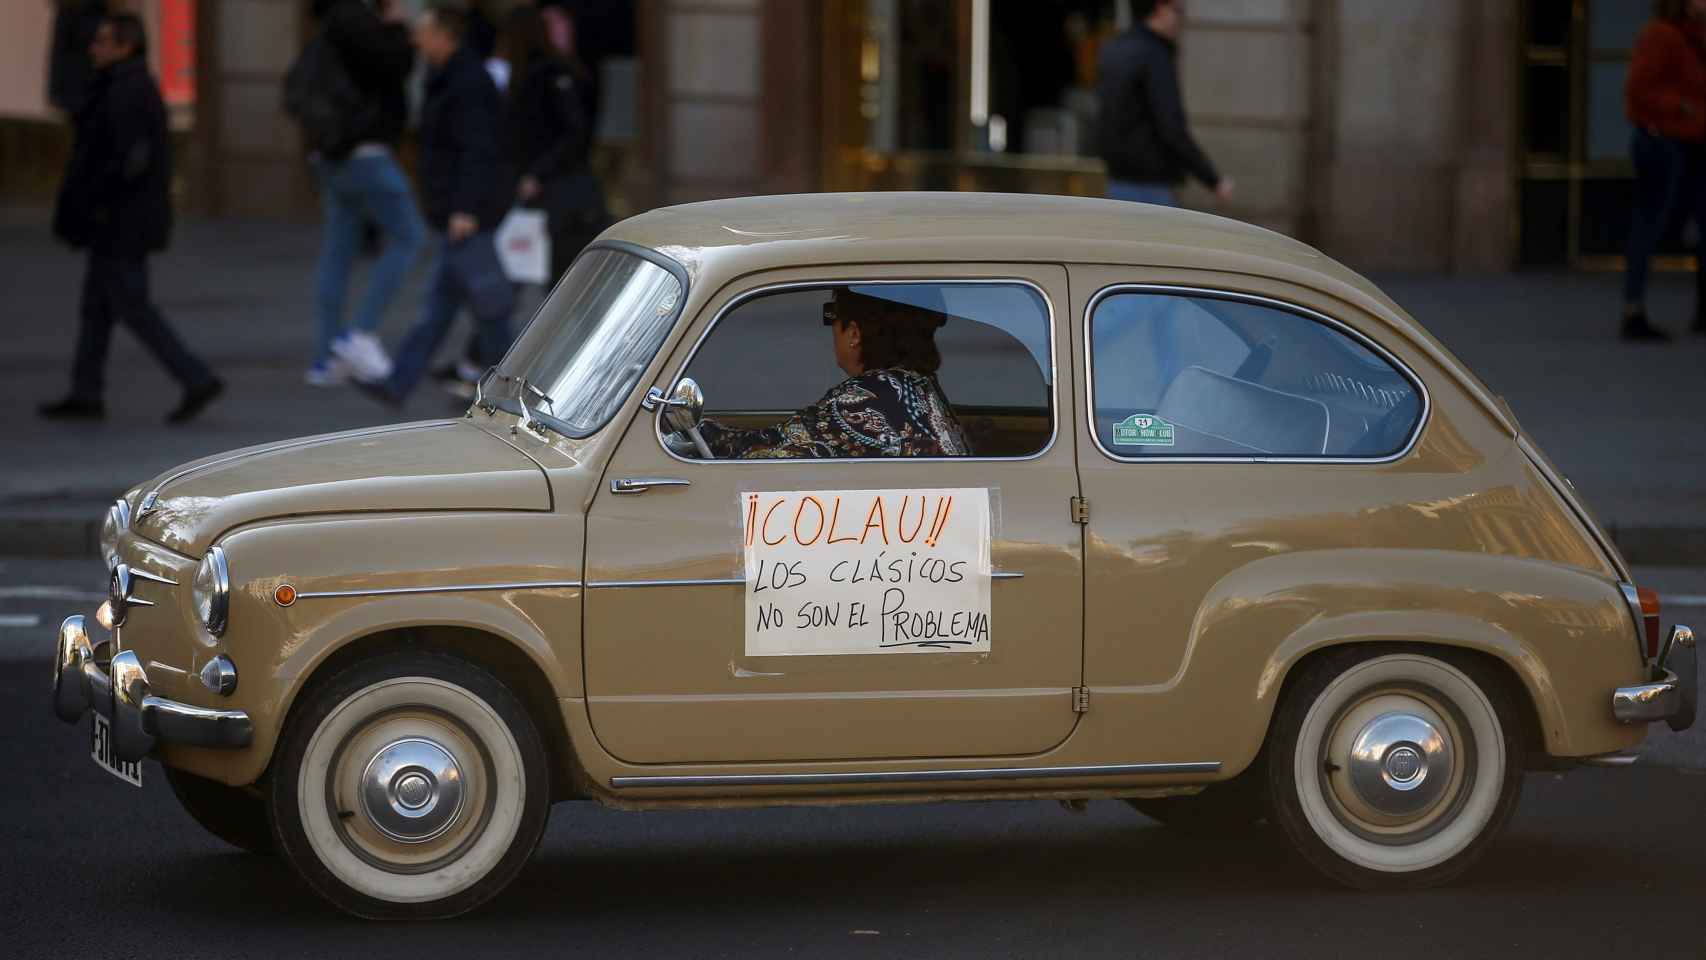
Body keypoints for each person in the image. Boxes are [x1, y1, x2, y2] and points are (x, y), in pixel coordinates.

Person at [40, 12, 223, 424]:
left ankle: (194, 376)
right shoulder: (120, 86)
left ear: (126, 46)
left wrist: (96, 206)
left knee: (131, 306)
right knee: (97, 307)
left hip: (120, 223)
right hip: (117, 221)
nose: (94, 48)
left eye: (104, 41)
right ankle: (86, 391)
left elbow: (124, 162)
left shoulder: (127, 91)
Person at [360, 3, 514, 409]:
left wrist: (464, 208)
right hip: (455, 211)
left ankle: (515, 385)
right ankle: (399, 383)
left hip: (466, 214)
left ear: (445, 36)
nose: (416, 39)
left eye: (423, 31)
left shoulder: (466, 82)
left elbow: (477, 151)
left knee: (489, 308)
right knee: (443, 305)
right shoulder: (447, 77)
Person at [303, 0, 426, 385]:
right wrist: (397, 28)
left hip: (334, 152)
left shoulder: (331, 23)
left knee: (338, 250)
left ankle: (327, 357)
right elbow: (395, 66)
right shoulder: (359, 23)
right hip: (365, 151)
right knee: (410, 237)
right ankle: (360, 332)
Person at [696, 289, 970, 460]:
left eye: (832, 316)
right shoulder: (923, 388)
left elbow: (765, 456)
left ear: (853, 333)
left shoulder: (861, 402)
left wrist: (697, 432)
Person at [501, 4, 606, 283]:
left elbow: (573, 132)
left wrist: (537, 173)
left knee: (556, 274)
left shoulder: (548, 75)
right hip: (548, 184)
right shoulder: (546, 72)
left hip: (559, 188)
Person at [1620, 0, 1706, 342]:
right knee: (1648, 223)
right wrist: (1682, 106)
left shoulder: (1696, 37)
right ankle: (1632, 310)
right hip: (1663, 143)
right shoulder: (1661, 35)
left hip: (1693, 145)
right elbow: (1639, 89)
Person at [1097, 0, 1232, 208]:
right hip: (1150, 185)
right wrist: (1212, 179)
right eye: (1178, 11)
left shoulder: (1114, 48)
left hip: (1117, 179)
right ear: (1160, 9)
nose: (1180, 20)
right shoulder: (1155, 55)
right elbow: (1171, 126)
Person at [47, 0, 108, 115]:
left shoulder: (109, 12)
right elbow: (58, 55)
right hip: (75, 92)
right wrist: (55, 94)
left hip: (102, 89)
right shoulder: (69, 11)